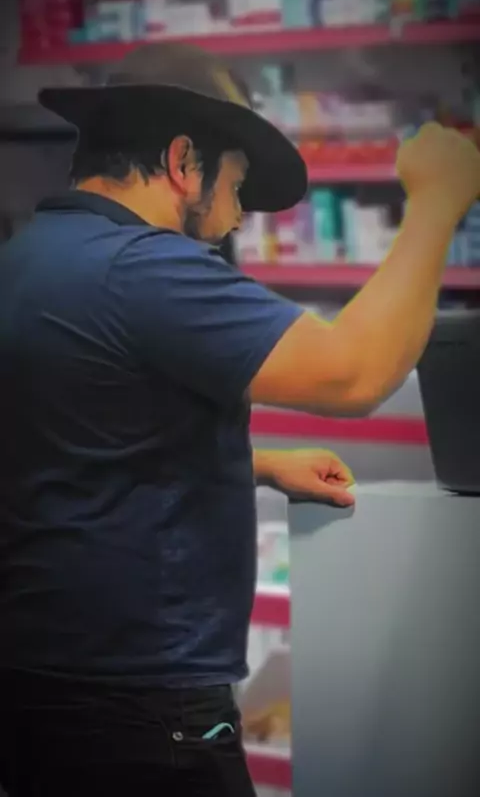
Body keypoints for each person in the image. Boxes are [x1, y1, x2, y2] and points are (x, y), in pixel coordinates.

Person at [0, 42, 479, 797]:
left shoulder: (27, 259)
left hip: (39, 695)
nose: (238, 213)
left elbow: (72, 439)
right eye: (235, 182)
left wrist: (251, 463)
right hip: (145, 712)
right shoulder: (145, 267)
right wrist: (436, 203)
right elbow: (353, 373)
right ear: (182, 161)